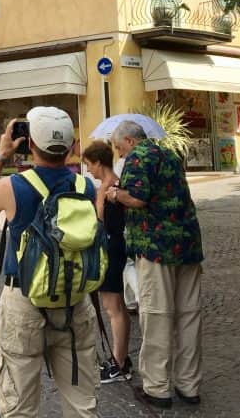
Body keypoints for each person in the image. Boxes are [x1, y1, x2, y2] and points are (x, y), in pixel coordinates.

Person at [0, 106, 100, 418]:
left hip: (25, 301)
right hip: (75, 300)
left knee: (20, 409)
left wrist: (1, 157)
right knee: (82, 405)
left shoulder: (13, 186)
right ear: (70, 148)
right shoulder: (87, 186)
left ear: (30, 145)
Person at [108, 120, 203, 409]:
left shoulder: (139, 156)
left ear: (130, 140)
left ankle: (158, 388)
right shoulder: (170, 153)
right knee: (189, 315)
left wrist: (115, 194)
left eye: (119, 148)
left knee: (157, 313)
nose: (120, 155)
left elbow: (136, 199)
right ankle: (189, 385)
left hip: (156, 246)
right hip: (187, 244)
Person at [82, 140, 132, 384]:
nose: (88, 169)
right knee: (116, 306)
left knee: (113, 308)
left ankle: (119, 363)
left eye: (89, 165)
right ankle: (121, 358)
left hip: (112, 250)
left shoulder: (111, 187)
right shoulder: (106, 186)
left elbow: (108, 224)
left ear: (99, 163)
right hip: (110, 249)